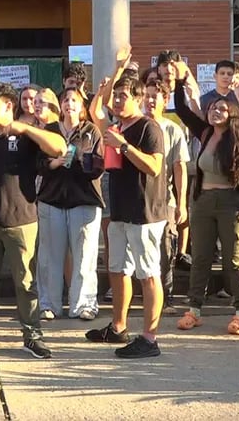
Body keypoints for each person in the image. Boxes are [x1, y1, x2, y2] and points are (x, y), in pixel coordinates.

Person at [0, 82, 66, 360]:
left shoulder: (27, 136)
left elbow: (60, 149)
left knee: (26, 283)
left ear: (9, 106)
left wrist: (26, 128)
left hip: (22, 221)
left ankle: (32, 337)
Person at [85, 52, 168, 359]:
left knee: (148, 273)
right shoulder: (116, 125)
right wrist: (116, 71)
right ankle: (119, 327)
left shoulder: (148, 128)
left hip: (145, 213)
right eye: (115, 97)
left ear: (137, 98)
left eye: (123, 97)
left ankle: (150, 338)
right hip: (119, 210)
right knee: (118, 269)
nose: (117, 102)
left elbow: (155, 167)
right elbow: (95, 108)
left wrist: (125, 147)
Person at [172, 60, 239, 335]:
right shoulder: (206, 132)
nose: (215, 111)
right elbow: (184, 111)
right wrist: (178, 81)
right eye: (212, 108)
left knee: (234, 260)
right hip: (202, 203)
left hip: (231, 205)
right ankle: (194, 309)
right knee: (200, 257)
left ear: (232, 113)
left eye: (221, 108)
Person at [36, 87, 104, 321]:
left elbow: (97, 167)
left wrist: (77, 159)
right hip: (52, 199)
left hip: (83, 200)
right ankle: (48, 304)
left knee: (84, 256)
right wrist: (54, 163)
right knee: (49, 257)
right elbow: (37, 163)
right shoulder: (50, 130)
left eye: (74, 100)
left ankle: (84, 304)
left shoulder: (91, 131)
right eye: (65, 100)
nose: (69, 104)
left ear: (81, 106)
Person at [143, 79, 190, 315]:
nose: (150, 100)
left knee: (165, 250)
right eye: (147, 95)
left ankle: (166, 296)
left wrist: (181, 202)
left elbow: (180, 168)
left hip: (165, 200)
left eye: (155, 96)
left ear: (165, 100)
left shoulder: (173, 129)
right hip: (139, 199)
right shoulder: (135, 125)